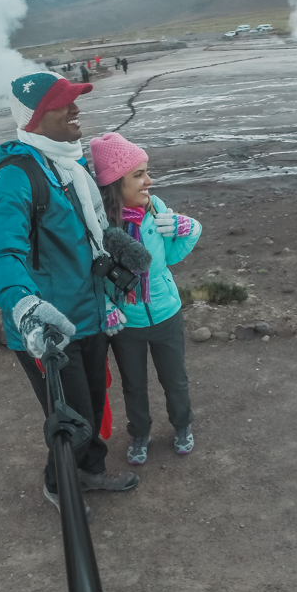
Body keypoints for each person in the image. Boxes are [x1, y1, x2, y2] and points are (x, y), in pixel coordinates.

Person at [0, 71, 139, 520]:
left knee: (91, 401)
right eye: (63, 103)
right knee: (71, 418)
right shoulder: (17, 176)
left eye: (75, 100)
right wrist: (27, 306)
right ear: (34, 118)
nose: (76, 110)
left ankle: (89, 472)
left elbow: (86, 233)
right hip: (47, 328)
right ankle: (59, 485)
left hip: (87, 314)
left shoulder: (67, 166)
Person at [89, 133, 202, 466]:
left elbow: (170, 257)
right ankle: (139, 433)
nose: (149, 181)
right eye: (138, 174)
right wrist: (106, 306)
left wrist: (190, 229)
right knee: (133, 386)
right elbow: (91, 274)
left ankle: (182, 426)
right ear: (113, 184)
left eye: (146, 171)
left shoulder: (156, 209)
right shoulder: (97, 227)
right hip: (128, 325)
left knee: (175, 379)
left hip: (167, 314)